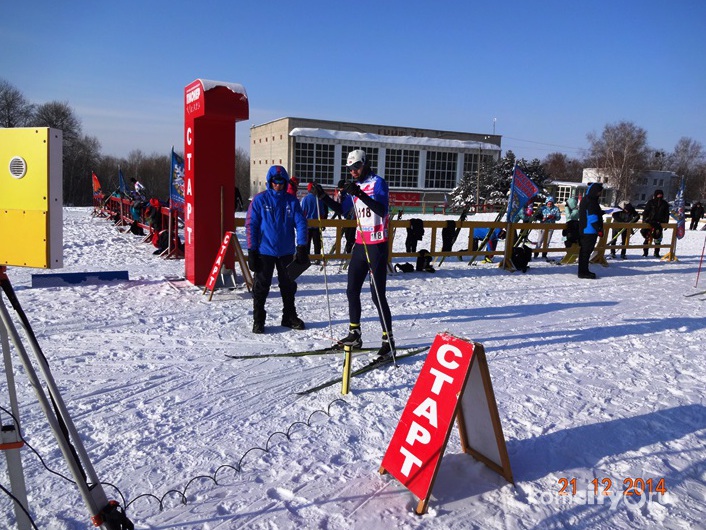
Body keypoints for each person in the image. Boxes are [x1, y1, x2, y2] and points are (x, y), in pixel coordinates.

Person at [312, 149, 394, 361]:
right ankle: (355, 334)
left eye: (356, 167)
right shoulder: (354, 186)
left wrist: (359, 194)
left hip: (377, 244)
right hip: (360, 243)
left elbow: (381, 210)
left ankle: (388, 341)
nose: (353, 171)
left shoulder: (378, 183)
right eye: (349, 169)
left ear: (365, 164)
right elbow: (342, 209)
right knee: (351, 290)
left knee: (377, 295)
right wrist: (322, 197)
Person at [246, 165, 309, 334]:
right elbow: (251, 225)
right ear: (270, 182)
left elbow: (301, 224)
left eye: (281, 182)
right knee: (261, 286)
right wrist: (252, 250)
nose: (278, 185)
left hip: (286, 251)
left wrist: (302, 245)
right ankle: (258, 319)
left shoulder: (291, 201)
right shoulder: (260, 200)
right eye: (275, 181)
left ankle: (288, 316)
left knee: (288, 285)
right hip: (265, 250)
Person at [578, 182, 604, 279]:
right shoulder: (591, 201)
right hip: (589, 230)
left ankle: (583, 271)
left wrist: (600, 212)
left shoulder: (586, 199)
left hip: (585, 229)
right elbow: (592, 217)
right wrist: (599, 229)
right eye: (599, 192)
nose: (599, 194)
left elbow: (590, 212)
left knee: (584, 252)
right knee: (586, 252)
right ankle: (583, 272)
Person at [300, 182, 329, 260]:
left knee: (307, 242)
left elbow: (303, 211)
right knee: (317, 242)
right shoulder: (319, 199)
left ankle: (307, 256)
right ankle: (317, 257)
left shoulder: (305, 199)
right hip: (317, 224)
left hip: (308, 224)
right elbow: (322, 212)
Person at [641, 189, 670, 257]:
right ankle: (645, 253)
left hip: (659, 223)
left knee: (658, 239)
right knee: (647, 238)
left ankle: (656, 253)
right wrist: (644, 221)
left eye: (661, 194)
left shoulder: (665, 203)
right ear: (655, 195)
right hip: (649, 222)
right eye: (658, 194)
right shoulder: (650, 202)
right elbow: (646, 212)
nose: (659, 196)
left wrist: (666, 223)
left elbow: (666, 214)